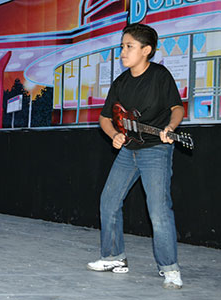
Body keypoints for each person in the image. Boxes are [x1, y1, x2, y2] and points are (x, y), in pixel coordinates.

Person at [86, 23, 185, 290]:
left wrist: (170, 128)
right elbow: (105, 118)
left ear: (146, 50)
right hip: (128, 150)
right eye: (122, 46)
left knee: (158, 210)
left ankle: (170, 268)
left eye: (128, 46)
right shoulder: (121, 82)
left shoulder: (160, 76)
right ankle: (114, 257)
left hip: (156, 150)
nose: (122, 51)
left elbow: (177, 107)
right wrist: (113, 135)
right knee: (108, 201)